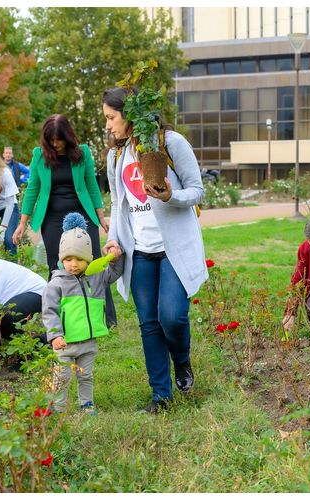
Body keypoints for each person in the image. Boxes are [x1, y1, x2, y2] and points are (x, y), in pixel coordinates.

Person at [100, 87, 207, 413]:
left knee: (171, 316)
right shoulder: (115, 156)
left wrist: (169, 197)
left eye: (111, 117)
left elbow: (198, 192)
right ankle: (160, 396)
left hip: (173, 248)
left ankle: (182, 361)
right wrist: (114, 238)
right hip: (139, 251)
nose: (107, 125)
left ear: (129, 114)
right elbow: (119, 203)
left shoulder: (169, 144)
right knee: (148, 323)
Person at [12, 114, 116, 327]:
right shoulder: (39, 155)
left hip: (83, 215)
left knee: (94, 262)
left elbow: (91, 185)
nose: (55, 144)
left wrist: (101, 216)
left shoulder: (82, 153)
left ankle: (106, 317)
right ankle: (62, 318)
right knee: (57, 265)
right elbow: (32, 189)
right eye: (51, 140)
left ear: (68, 137)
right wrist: (22, 223)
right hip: (52, 218)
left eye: (59, 139)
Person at [42, 213, 124, 415]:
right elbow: (49, 311)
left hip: (89, 341)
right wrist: (55, 335)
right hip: (65, 342)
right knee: (61, 377)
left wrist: (115, 260)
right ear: (62, 259)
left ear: (88, 258)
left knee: (86, 375)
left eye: (79, 259)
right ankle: (58, 407)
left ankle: (86, 404)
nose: (73, 264)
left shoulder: (96, 276)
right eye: (68, 259)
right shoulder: (57, 283)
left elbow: (114, 273)